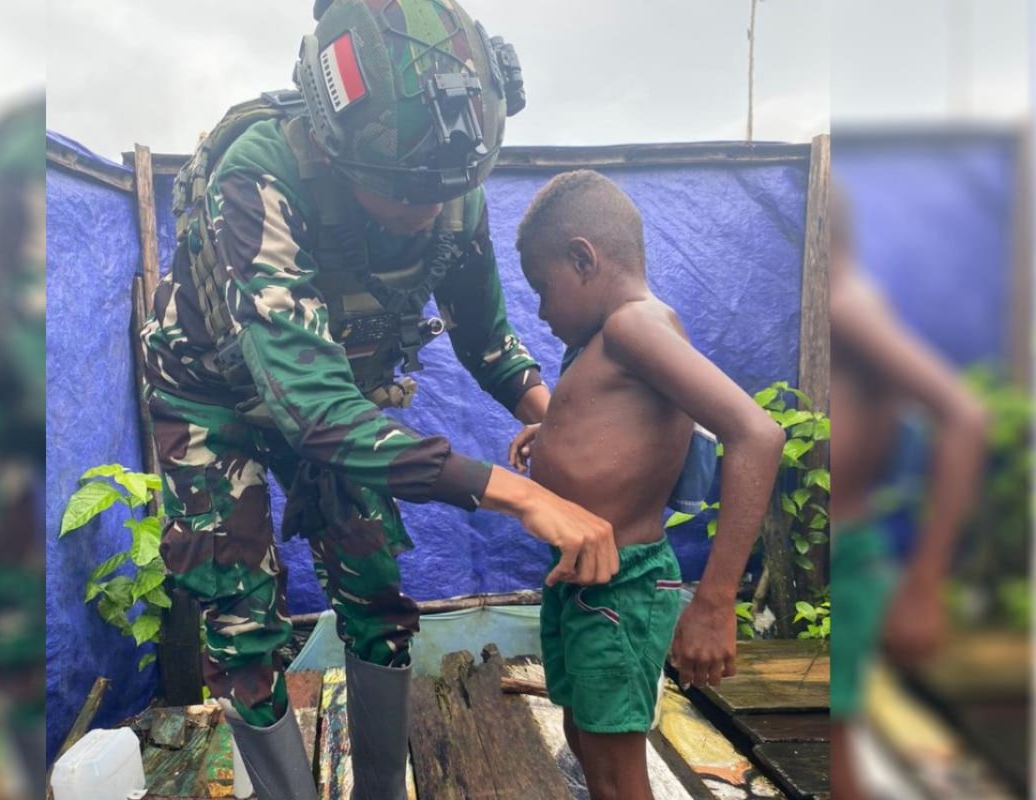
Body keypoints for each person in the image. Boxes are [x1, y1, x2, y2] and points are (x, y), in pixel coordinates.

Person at [138, 3, 617, 798]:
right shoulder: (260, 175)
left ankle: (381, 791)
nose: (424, 213)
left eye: (445, 194)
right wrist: (518, 495)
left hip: (336, 398)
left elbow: (488, 340)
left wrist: (556, 419)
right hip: (214, 398)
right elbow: (313, 411)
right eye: (398, 194)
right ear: (334, 147)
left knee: (376, 594)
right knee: (241, 623)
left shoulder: (450, 186)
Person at [508, 170, 785, 800]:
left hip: (621, 588)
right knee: (584, 736)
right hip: (584, 583)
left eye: (542, 289)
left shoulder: (634, 326)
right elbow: (627, 428)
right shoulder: (606, 340)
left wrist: (714, 603)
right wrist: (550, 432)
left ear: (584, 257)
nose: (543, 311)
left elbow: (756, 434)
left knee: (613, 768)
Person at [827, 188, 987, 800]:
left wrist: (924, 584)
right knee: (844, 752)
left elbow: (964, 416)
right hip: (846, 555)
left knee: (843, 764)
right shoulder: (858, 302)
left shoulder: (846, 303)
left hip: (850, 558)